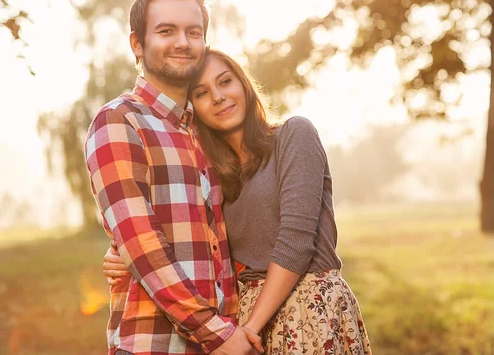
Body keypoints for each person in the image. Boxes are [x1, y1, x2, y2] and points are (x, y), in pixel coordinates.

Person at [104, 49, 372, 354]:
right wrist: (122, 251)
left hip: (308, 309)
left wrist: (247, 331)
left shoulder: (294, 135)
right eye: (202, 93)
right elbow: (195, 237)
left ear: (243, 84)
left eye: (225, 82)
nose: (218, 97)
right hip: (244, 318)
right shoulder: (214, 176)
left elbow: (296, 242)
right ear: (193, 109)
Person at [84, 0, 261, 355]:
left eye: (193, 32)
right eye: (166, 31)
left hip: (229, 337)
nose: (183, 42)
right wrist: (219, 335)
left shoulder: (209, 130)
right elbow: (144, 249)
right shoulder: (119, 122)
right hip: (159, 345)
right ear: (137, 44)